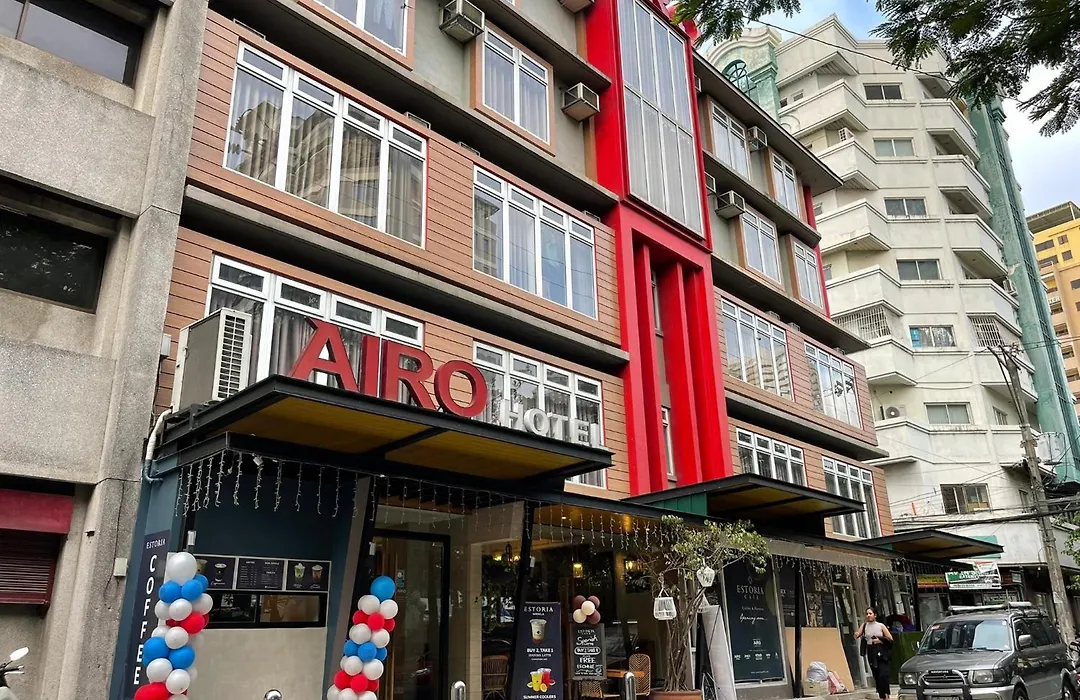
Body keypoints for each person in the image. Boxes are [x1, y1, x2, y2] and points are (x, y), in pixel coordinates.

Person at [856, 606, 893, 700]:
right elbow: (857, 634)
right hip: (871, 651)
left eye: (870, 613)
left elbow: (890, 639)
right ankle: (882, 696)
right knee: (876, 675)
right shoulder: (864, 626)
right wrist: (856, 634)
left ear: (875, 615)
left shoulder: (881, 626)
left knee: (883, 675)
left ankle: (887, 694)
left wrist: (880, 640)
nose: (868, 615)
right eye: (867, 614)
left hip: (881, 651)